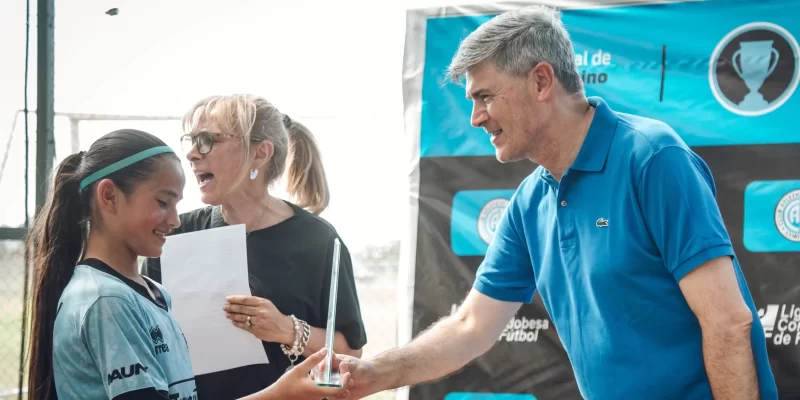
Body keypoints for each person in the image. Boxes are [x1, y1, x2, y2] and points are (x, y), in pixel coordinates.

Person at [329, 6, 778, 400]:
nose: (475, 116)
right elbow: (471, 327)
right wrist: (375, 373)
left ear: (542, 81)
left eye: (485, 95)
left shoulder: (653, 157)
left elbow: (727, 323)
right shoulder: (529, 202)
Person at [25, 129, 351, 400]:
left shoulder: (152, 293)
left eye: (177, 204)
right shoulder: (107, 302)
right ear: (109, 196)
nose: (175, 220)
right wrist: (281, 393)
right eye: (162, 202)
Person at [141, 94, 367, 400]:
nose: (193, 154)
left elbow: (352, 351)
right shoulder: (174, 234)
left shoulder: (319, 240)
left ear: (260, 154)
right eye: (191, 141)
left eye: (208, 140)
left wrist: (288, 329)